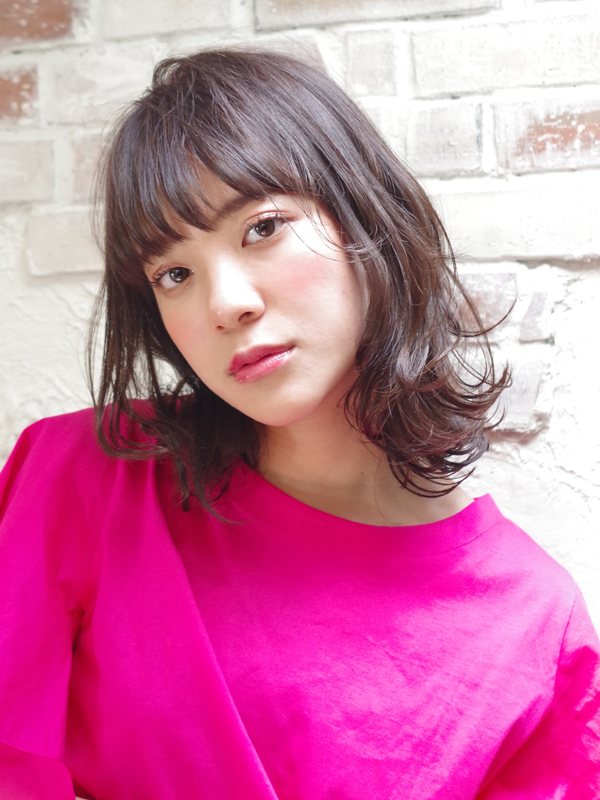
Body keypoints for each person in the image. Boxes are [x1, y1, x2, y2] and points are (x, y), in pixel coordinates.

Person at [0, 47, 598, 800]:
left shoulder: (534, 626)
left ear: (364, 215)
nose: (226, 304)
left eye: (262, 228)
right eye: (174, 274)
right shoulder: (87, 476)